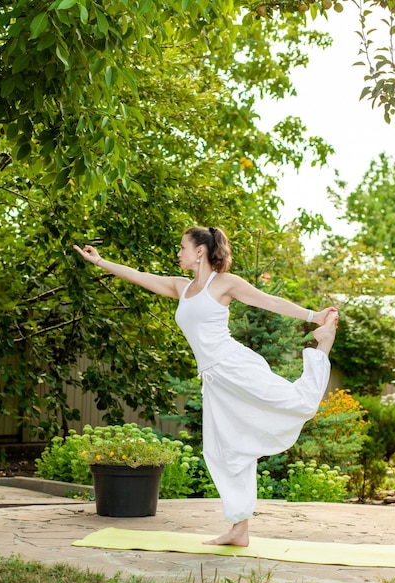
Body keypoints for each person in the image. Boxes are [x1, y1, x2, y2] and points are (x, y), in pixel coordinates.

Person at [74, 226, 338, 546]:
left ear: (200, 251)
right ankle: (239, 529)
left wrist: (315, 315)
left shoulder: (224, 283)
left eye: (182, 247)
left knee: (299, 404)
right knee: (222, 451)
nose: (178, 252)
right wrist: (101, 262)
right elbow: (139, 275)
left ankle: (322, 346)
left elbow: (268, 301)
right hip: (214, 382)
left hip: (234, 365)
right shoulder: (181, 287)